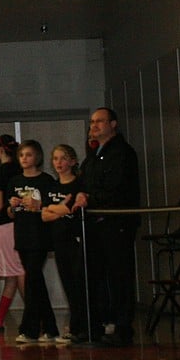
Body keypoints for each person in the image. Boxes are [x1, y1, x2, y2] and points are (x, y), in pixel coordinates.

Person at [74, 107, 140, 347]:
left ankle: (122, 327)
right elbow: (84, 183)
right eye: (92, 121)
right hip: (95, 225)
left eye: (100, 121)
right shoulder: (92, 156)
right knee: (94, 275)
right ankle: (97, 324)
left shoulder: (122, 153)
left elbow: (118, 187)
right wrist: (81, 193)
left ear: (113, 124)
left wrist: (90, 197)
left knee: (118, 276)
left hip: (116, 224)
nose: (94, 125)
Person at [5, 140, 60, 345]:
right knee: (36, 281)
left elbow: (54, 207)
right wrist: (12, 207)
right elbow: (10, 214)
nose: (24, 159)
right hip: (22, 236)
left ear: (37, 157)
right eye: (21, 155)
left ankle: (29, 329)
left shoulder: (46, 181)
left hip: (41, 236)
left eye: (28, 155)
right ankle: (50, 327)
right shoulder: (14, 181)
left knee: (32, 280)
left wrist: (39, 205)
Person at [41, 144, 86, 343]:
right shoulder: (52, 187)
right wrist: (57, 208)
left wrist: (58, 209)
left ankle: (79, 328)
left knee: (79, 285)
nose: (59, 162)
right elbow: (43, 215)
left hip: (75, 240)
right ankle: (74, 327)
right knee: (68, 284)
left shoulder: (78, 184)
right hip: (58, 242)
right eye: (56, 158)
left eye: (63, 158)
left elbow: (69, 211)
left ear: (73, 161)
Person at [0, 133, 23, 329]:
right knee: (16, 272)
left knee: (15, 272)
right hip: (22, 224)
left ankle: (35, 316)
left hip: (5, 225)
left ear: (0, 150)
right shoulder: (20, 170)